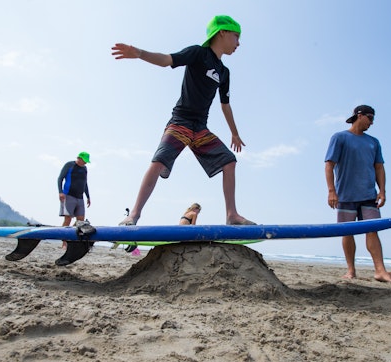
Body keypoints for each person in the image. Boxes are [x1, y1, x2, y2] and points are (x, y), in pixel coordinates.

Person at [111, 15, 254, 227]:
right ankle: (134, 214)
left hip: (201, 129)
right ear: (222, 32)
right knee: (159, 161)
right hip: (181, 122)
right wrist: (140, 53)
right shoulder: (198, 53)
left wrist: (234, 133)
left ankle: (232, 215)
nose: (238, 43)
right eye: (236, 36)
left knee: (229, 161)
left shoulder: (224, 72)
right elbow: (167, 59)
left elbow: (225, 104)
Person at [324, 105, 391, 282]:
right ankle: (351, 270)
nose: (372, 122)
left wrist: (382, 191)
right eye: (370, 118)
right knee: (347, 232)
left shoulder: (373, 142)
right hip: (345, 195)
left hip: (369, 194)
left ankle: (380, 270)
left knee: (372, 231)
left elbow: (379, 167)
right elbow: (329, 164)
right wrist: (331, 191)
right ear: (359, 115)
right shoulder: (340, 137)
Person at [58, 152, 91, 227]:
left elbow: (85, 183)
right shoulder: (69, 165)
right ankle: (64, 238)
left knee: (81, 221)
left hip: (80, 197)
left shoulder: (85, 169)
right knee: (68, 219)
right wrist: (60, 192)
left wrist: (88, 196)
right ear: (79, 158)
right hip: (69, 195)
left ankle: (71, 237)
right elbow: (60, 178)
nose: (85, 163)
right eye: (84, 160)